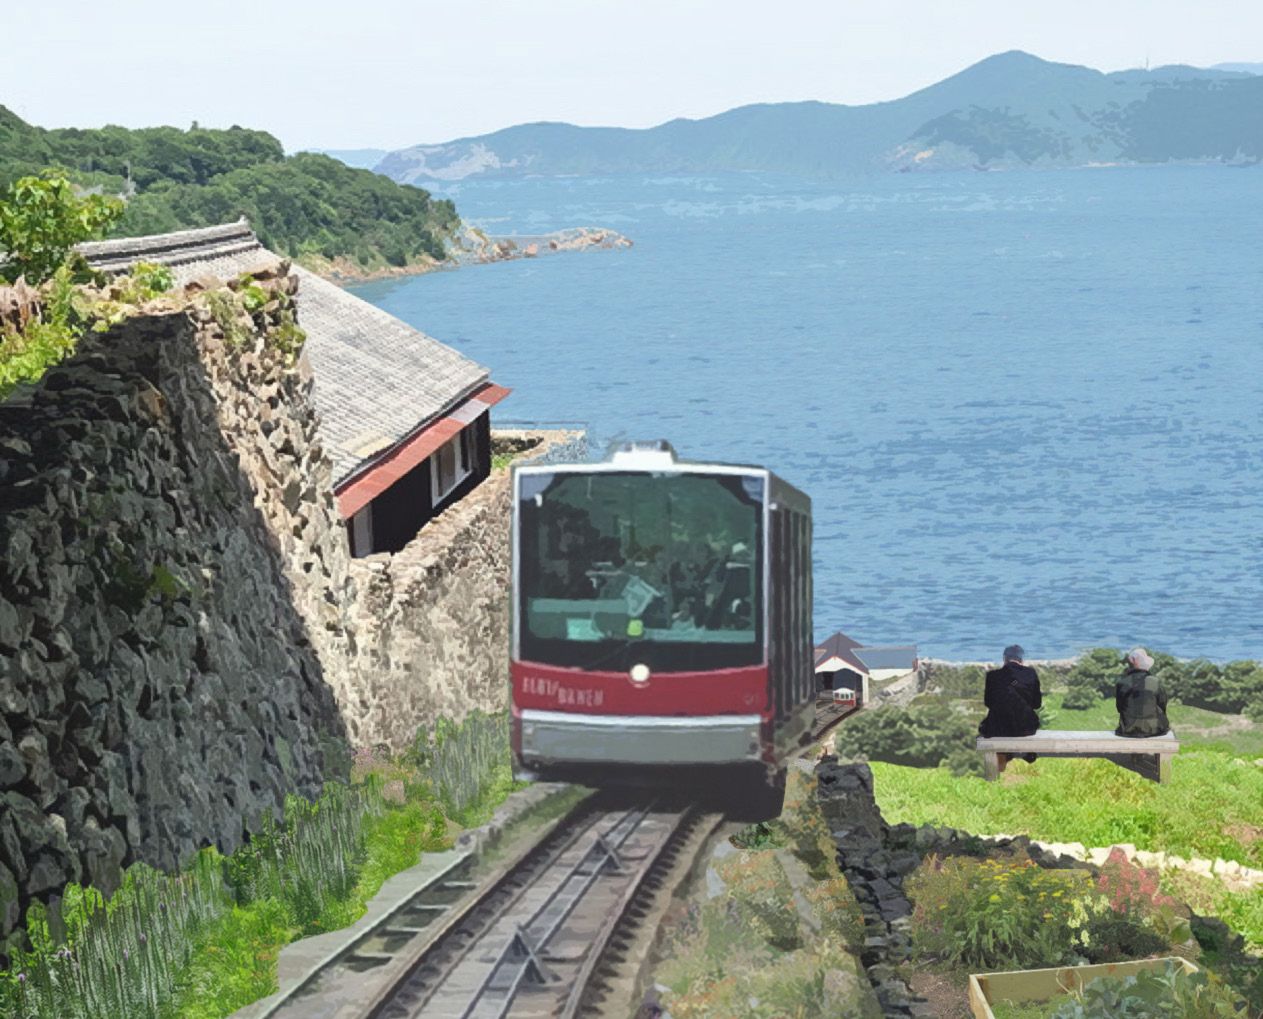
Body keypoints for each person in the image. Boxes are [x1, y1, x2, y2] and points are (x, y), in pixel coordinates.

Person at [978, 646, 1042, 757]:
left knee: (985, 729)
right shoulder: (1031, 674)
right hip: (1026, 728)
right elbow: (1037, 704)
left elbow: (988, 702)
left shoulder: (992, 676)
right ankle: (1020, 755)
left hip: (998, 728)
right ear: (1021, 660)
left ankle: (1007, 758)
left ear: (1004, 659)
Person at [1115, 647, 1170, 737]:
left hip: (1127, 730)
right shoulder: (1155, 682)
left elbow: (1119, 708)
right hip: (1154, 730)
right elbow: (1162, 705)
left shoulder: (1122, 683)